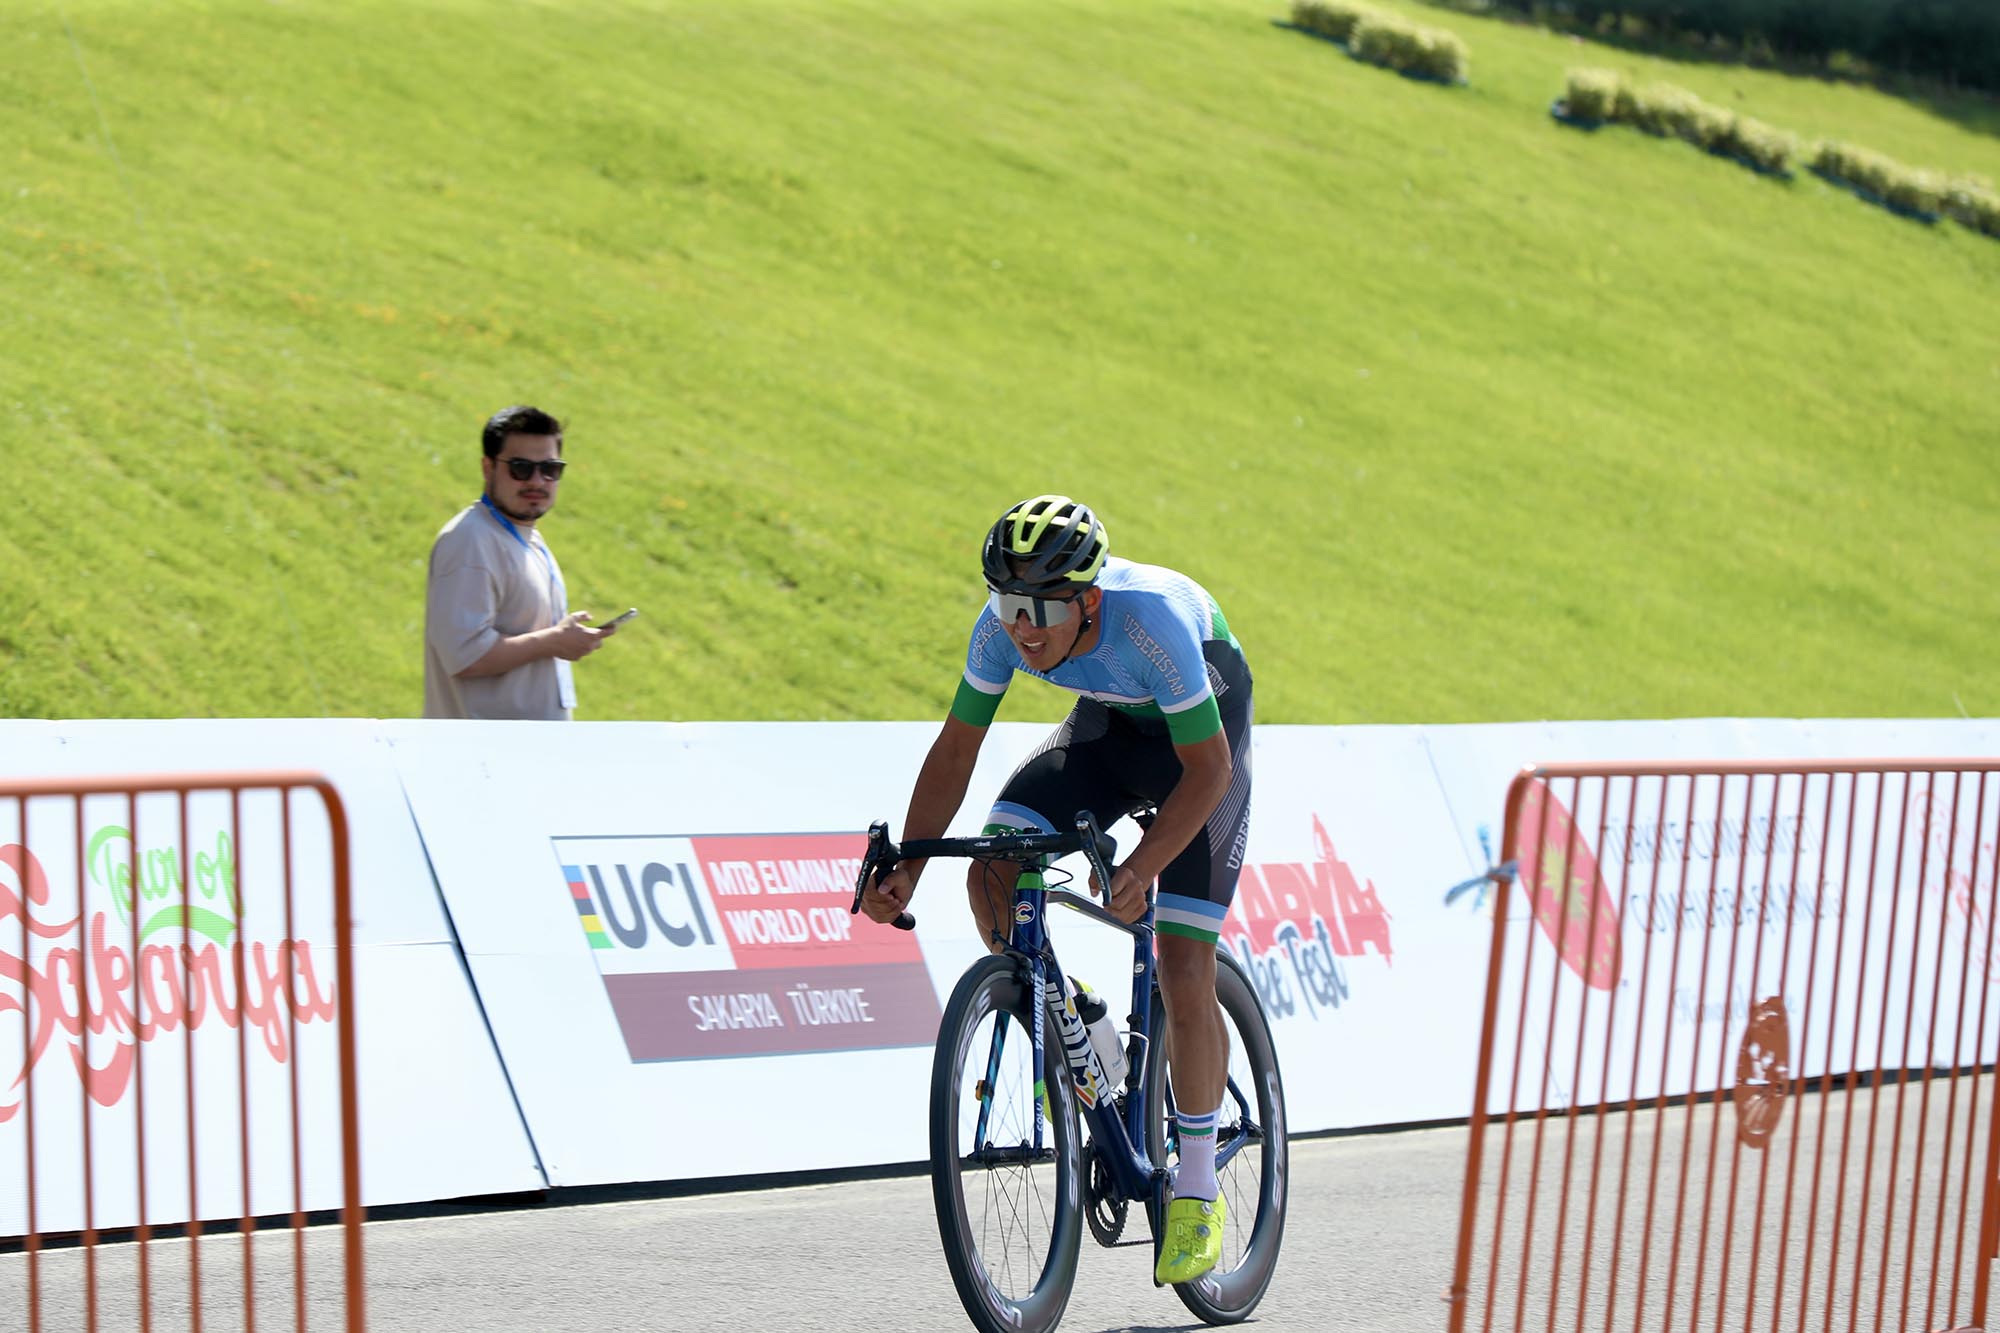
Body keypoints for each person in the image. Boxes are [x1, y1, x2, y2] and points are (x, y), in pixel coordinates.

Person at [859, 494, 1253, 1286]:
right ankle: (1073, 1012)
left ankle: (1200, 1185)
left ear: (1091, 600)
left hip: (1202, 746)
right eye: (1008, 604)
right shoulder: (999, 628)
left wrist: (1144, 863)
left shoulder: (1151, 623)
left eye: (1040, 607)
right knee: (993, 871)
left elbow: (1209, 772)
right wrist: (909, 862)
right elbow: (955, 747)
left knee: (1182, 962)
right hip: (1108, 729)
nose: (1022, 626)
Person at [423, 405, 621, 719]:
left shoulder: (526, 537)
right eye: (520, 468)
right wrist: (553, 642)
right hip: (484, 758)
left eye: (550, 469)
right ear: (488, 468)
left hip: (524, 753)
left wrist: (561, 637)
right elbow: (465, 656)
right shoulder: (470, 541)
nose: (537, 481)